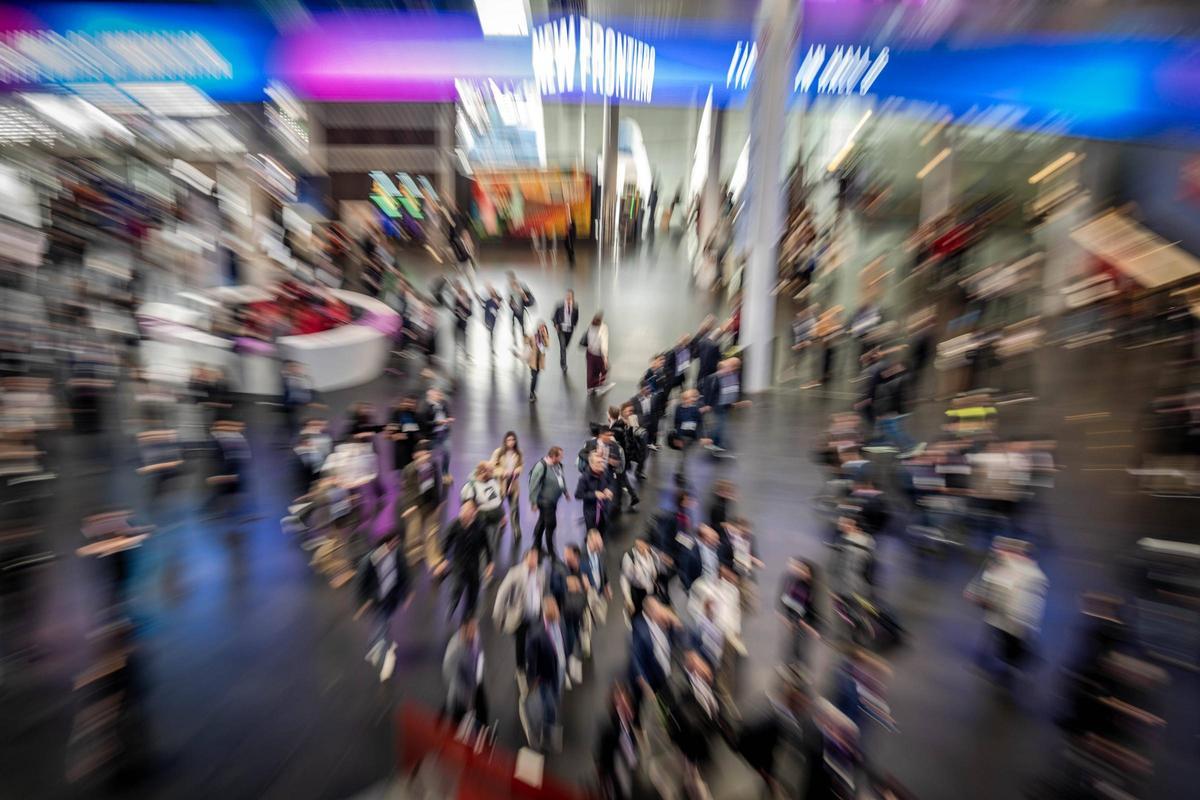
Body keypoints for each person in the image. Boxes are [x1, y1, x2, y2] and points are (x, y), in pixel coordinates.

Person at [964, 537, 1048, 685]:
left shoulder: (1012, 572)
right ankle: (1014, 663)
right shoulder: (1029, 571)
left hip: (1011, 618)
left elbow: (996, 594)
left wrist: (978, 597)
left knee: (1010, 645)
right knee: (1008, 642)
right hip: (1013, 618)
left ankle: (1015, 665)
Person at [355, 533, 412, 682]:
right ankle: (386, 661)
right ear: (383, 542)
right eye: (391, 543)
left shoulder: (398, 554)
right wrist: (361, 604)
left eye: (396, 542)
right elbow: (361, 582)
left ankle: (376, 646)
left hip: (391, 597)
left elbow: (405, 573)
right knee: (383, 627)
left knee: (381, 625)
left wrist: (407, 594)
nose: (394, 546)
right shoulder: (371, 558)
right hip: (376, 599)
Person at [493, 548, 546, 684]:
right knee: (521, 644)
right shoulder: (515, 573)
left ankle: (533, 668)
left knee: (534, 641)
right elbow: (501, 594)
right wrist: (498, 617)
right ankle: (520, 670)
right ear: (525, 558)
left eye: (536, 557)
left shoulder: (540, 573)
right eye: (532, 557)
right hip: (520, 617)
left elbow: (542, 593)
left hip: (535, 615)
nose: (535, 560)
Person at [523, 596, 566, 751]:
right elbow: (531, 660)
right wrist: (532, 680)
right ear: (546, 613)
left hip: (559, 672)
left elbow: (563, 642)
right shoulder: (535, 634)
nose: (557, 612)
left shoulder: (560, 622)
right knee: (548, 706)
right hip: (545, 677)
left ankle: (548, 729)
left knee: (554, 700)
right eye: (554, 610)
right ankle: (541, 733)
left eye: (556, 608)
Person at [439, 499, 494, 620]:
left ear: (474, 512)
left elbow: (487, 546)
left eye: (467, 509)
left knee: (474, 592)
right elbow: (446, 542)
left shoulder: (480, 526)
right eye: (462, 509)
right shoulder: (455, 524)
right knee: (457, 588)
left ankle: (469, 617)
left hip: (474, 565)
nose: (463, 511)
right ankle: (452, 605)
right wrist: (443, 559)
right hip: (458, 564)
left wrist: (490, 563)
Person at [400, 441, 445, 569]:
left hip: (430, 504)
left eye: (427, 454)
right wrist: (409, 506)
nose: (425, 457)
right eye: (421, 455)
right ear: (415, 456)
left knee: (432, 533)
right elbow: (407, 491)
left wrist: (438, 503)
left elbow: (437, 485)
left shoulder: (433, 466)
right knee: (413, 534)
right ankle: (414, 556)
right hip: (415, 506)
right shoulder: (408, 470)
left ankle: (435, 560)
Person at [594, 683, 642, 800]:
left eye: (626, 702)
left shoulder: (634, 724)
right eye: (620, 704)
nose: (625, 706)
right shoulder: (609, 730)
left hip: (636, 775)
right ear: (614, 708)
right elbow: (602, 763)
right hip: (619, 781)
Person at [549, 544, 588, 686]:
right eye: (564, 553)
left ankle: (569, 661)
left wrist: (582, 585)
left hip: (577, 611)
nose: (565, 555)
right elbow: (553, 588)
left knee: (574, 637)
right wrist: (566, 585)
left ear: (575, 555)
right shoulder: (560, 568)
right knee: (567, 639)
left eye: (568, 553)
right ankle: (565, 667)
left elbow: (586, 587)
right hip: (564, 612)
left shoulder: (581, 567)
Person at [442, 617, 488, 729]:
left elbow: (480, 657)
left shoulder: (475, 638)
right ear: (464, 629)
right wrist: (468, 701)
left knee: (482, 715)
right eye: (472, 629)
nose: (475, 632)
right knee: (456, 723)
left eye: (475, 628)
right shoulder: (454, 652)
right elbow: (455, 681)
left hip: (475, 687)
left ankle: (483, 737)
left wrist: (479, 680)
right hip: (460, 698)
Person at [700, 356, 751, 456]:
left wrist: (735, 403)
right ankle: (714, 442)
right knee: (720, 424)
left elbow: (731, 390)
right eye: (734, 366)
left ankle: (712, 441)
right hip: (717, 404)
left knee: (720, 424)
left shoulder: (731, 375)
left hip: (724, 404)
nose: (735, 369)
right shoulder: (716, 376)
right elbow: (710, 391)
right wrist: (708, 405)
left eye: (736, 367)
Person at [629, 597, 676, 700]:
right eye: (656, 611)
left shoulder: (662, 617)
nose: (660, 613)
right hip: (656, 674)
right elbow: (634, 659)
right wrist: (645, 685)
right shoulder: (639, 628)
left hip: (670, 665)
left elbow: (676, 631)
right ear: (648, 612)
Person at [460, 462, 505, 565]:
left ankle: (485, 568)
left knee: (490, 547)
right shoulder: (471, 487)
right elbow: (467, 509)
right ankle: (481, 573)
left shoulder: (491, 481)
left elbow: (497, 500)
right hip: (483, 524)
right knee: (483, 549)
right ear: (483, 472)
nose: (493, 473)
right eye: (490, 471)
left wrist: (502, 516)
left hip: (495, 522)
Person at [778, 558, 821, 664]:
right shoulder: (795, 584)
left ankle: (796, 663)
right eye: (801, 570)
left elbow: (809, 608)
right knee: (795, 643)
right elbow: (787, 603)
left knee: (799, 644)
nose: (803, 573)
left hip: (803, 618)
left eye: (805, 571)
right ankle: (792, 663)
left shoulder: (809, 587)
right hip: (797, 618)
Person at [529, 446, 570, 556]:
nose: (562, 458)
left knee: (542, 522)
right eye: (560, 456)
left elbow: (561, 479)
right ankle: (551, 551)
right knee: (551, 524)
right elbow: (533, 485)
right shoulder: (541, 466)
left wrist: (565, 492)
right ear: (553, 456)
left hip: (553, 501)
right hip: (545, 501)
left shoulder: (558, 465)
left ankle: (536, 546)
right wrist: (533, 502)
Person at [490, 431, 524, 545]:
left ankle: (516, 530)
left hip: (513, 484)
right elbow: (492, 468)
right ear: (505, 441)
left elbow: (521, 466)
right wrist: (503, 472)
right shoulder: (498, 452)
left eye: (513, 440)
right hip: (501, 484)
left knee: (514, 508)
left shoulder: (518, 453)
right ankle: (501, 523)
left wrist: (517, 471)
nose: (511, 442)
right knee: (498, 507)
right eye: (509, 440)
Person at [576, 449, 616, 538]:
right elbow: (578, 495)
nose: (602, 465)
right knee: (592, 535)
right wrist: (594, 494)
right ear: (591, 464)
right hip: (591, 513)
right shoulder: (584, 478)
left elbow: (611, 483)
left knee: (602, 533)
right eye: (598, 463)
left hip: (604, 510)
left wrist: (609, 490)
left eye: (602, 462)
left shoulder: (605, 473)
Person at [621, 537, 664, 617]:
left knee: (654, 611)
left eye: (643, 545)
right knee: (641, 614)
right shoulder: (629, 557)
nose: (640, 548)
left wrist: (655, 581)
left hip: (650, 589)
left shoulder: (650, 553)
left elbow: (656, 567)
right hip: (638, 592)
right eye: (638, 546)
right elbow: (624, 579)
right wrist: (628, 598)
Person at [418, 387, 454, 478]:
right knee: (428, 456)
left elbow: (448, 413)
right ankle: (426, 475)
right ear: (430, 396)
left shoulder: (443, 404)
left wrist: (449, 419)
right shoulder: (424, 408)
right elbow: (424, 423)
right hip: (431, 436)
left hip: (443, 433)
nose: (439, 396)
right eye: (436, 394)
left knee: (447, 452)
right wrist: (437, 423)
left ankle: (445, 473)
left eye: (439, 394)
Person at [280, 360, 320, 439]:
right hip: (291, 410)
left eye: (298, 367)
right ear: (288, 369)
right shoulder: (289, 380)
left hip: (299, 410)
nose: (298, 369)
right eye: (294, 367)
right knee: (294, 433)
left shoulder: (300, 380)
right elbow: (294, 396)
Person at [386, 395, 421, 474]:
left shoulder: (415, 415)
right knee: (402, 476)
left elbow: (419, 433)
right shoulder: (396, 414)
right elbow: (390, 434)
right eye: (407, 402)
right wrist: (395, 435)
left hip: (414, 451)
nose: (409, 404)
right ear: (401, 403)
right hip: (402, 452)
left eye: (412, 403)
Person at [581, 312, 613, 395]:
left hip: (590, 353)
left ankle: (590, 388)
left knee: (591, 372)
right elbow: (604, 343)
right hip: (599, 355)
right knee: (604, 370)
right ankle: (599, 385)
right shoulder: (603, 328)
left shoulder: (591, 326)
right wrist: (605, 357)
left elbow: (589, 339)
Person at [552, 290, 579, 373]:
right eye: (567, 295)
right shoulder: (559, 305)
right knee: (563, 347)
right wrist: (556, 324)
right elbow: (554, 316)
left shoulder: (575, 306)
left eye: (570, 296)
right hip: (561, 329)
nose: (568, 297)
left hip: (569, 330)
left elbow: (576, 317)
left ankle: (562, 358)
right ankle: (564, 365)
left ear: (572, 297)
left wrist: (574, 325)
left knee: (565, 346)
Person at [526, 321, 550, 402]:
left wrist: (544, 336)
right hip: (533, 361)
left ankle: (533, 392)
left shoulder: (545, 337)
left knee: (536, 377)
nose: (541, 329)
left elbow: (547, 345)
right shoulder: (533, 336)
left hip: (539, 362)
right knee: (534, 377)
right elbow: (526, 341)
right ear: (537, 328)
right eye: (540, 327)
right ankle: (531, 393)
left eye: (543, 328)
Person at [507, 270, 535, 340]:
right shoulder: (509, 288)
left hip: (520, 310)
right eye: (509, 279)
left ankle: (524, 338)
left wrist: (523, 294)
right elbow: (510, 299)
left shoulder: (520, 286)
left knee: (522, 325)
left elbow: (526, 297)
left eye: (510, 279)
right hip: (514, 310)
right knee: (512, 325)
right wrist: (511, 303)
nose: (509, 281)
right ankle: (514, 340)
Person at [452, 283, 472, 359]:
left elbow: (470, 313)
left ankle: (465, 353)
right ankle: (455, 353)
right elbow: (454, 310)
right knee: (456, 338)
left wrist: (466, 313)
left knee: (464, 338)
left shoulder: (468, 301)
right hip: (457, 322)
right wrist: (458, 313)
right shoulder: (456, 300)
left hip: (463, 322)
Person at [479, 285, 502, 352]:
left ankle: (492, 345)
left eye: (492, 292)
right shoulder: (488, 301)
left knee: (492, 331)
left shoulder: (497, 300)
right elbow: (484, 306)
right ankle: (491, 346)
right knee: (491, 331)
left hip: (493, 318)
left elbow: (499, 304)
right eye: (491, 292)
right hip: (488, 318)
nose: (491, 293)